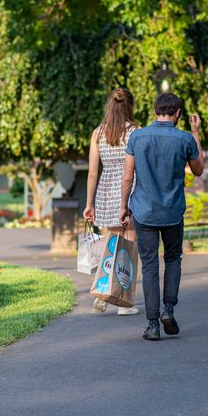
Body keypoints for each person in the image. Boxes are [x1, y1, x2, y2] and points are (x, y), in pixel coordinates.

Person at [120, 92, 205, 341]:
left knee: (149, 266)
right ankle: (169, 309)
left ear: (155, 110)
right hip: (172, 211)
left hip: (144, 210)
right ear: (178, 113)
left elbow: (128, 177)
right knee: (173, 259)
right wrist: (196, 133)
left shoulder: (137, 136)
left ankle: (153, 324)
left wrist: (124, 207)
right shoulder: (185, 139)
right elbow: (198, 170)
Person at [83, 88, 140, 316]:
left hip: (106, 190)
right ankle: (123, 300)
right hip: (130, 188)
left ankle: (104, 288)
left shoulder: (98, 133)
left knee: (112, 243)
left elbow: (92, 173)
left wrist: (89, 203)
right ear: (130, 107)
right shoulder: (135, 132)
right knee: (130, 246)